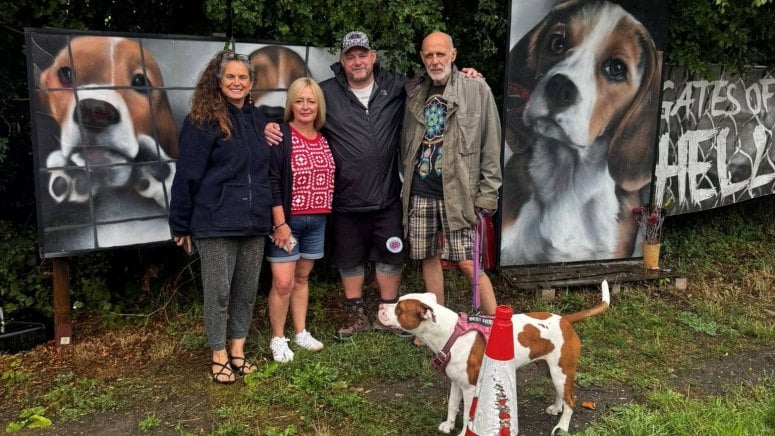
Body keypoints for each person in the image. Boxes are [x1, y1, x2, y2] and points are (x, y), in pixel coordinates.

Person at [265, 31, 481, 341]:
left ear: (373, 57)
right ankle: (356, 313)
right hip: (345, 199)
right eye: (350, 56)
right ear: (342, 61)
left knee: (391, 255)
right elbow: (301, 109)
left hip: (388, 196)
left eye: (362, 55)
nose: (357, 61)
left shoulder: (397, 86)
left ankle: (388, 314)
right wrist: (269, 124)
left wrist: (466, 75)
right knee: (349, 258)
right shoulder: (327, 92)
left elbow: (439, 77)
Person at [169, 50, 271, 384]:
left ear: (252, 82)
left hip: (254, 223)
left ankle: (238, 351)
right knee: (218, 293)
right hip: (214, 223)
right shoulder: (202, 120)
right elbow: (186, 175)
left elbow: (266, 170)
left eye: (243, 77)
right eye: (230, 77)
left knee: (245, 291)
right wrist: (180, 224)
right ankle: (218, 355)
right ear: (218, 80)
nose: (237, 82)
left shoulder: (259, 120)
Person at [400, 31, 502, 315]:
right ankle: (438, 321)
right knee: (427, 257)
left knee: (468, 261)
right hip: (420, 192)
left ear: (453, 55)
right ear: (422, 58)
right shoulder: (415, 92)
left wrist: (488, 195)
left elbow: (491, 146)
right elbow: (406, 143)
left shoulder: (476, 89)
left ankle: (498, 325)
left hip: (458, 195)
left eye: (440, 54)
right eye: (429, 55)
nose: (435, 61)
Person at [266, 77, 335, 362]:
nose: (305, 106)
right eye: (299, 100)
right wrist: (280, 224)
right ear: (290, 105)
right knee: (283, 282)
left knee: (302, 278)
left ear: (319, 106)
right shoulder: (281, 136)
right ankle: (278, 338)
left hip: (317, 220)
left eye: (311, 101)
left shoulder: (324, 137)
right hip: (288, 222)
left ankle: (300, 331)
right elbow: (271, 181)